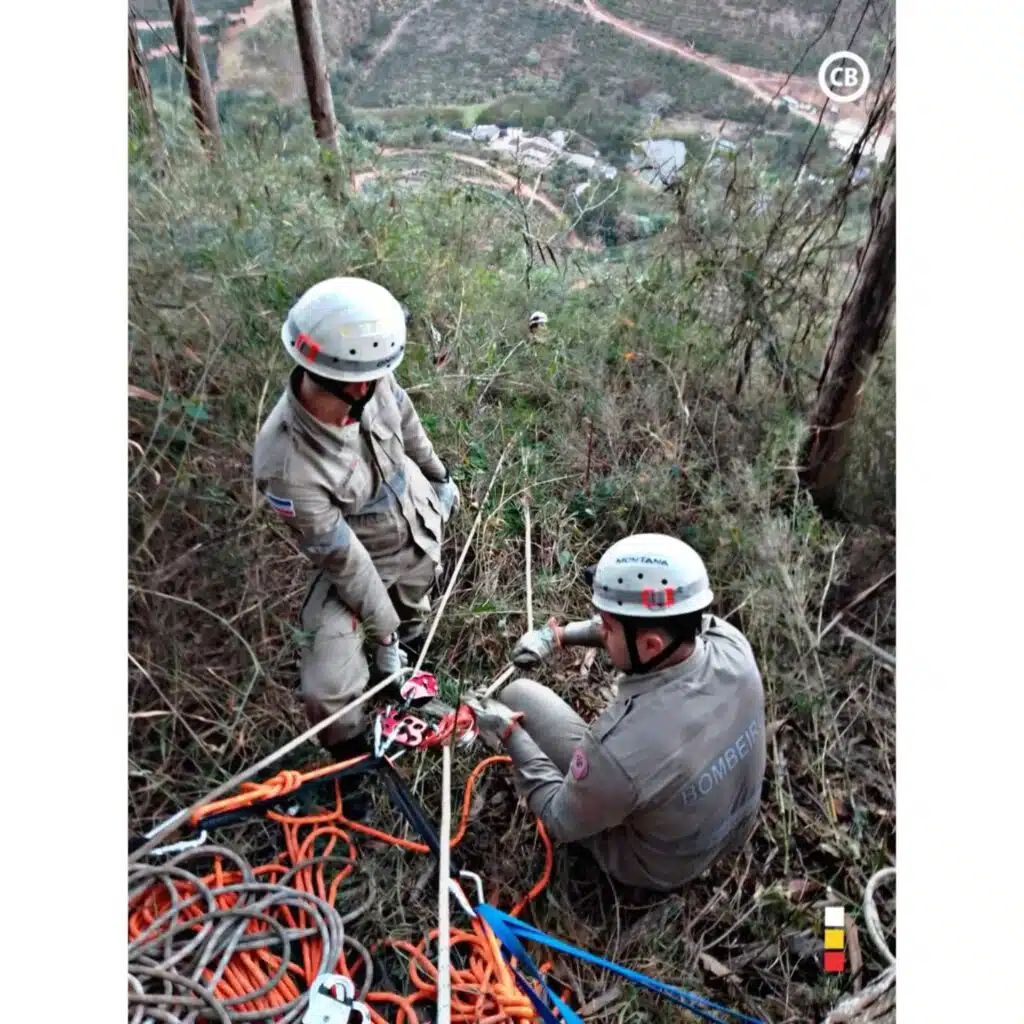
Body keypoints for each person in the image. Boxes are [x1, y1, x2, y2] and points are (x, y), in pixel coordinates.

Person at [253, 277, 459, 800]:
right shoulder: (286, 464)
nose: (377, 386)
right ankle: (353, 767)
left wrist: (439, 476)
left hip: (418, 525)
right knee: (328, 693)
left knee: (417, 609)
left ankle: (411, 652)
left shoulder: (370, 379)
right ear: (345, 381)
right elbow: (345, 562)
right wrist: (382, 637)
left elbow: (406, 422)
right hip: (363, 561)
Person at [466, 533, 766, 892]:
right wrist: (558, 636)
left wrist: (508, 733)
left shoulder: (621, 750)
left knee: (519, 695)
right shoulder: (732, 646)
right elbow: (646, 629)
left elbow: (560, 819)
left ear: (651, 645)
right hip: (732, 828)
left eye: (606, 628)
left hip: (658, 868)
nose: (602, 632)